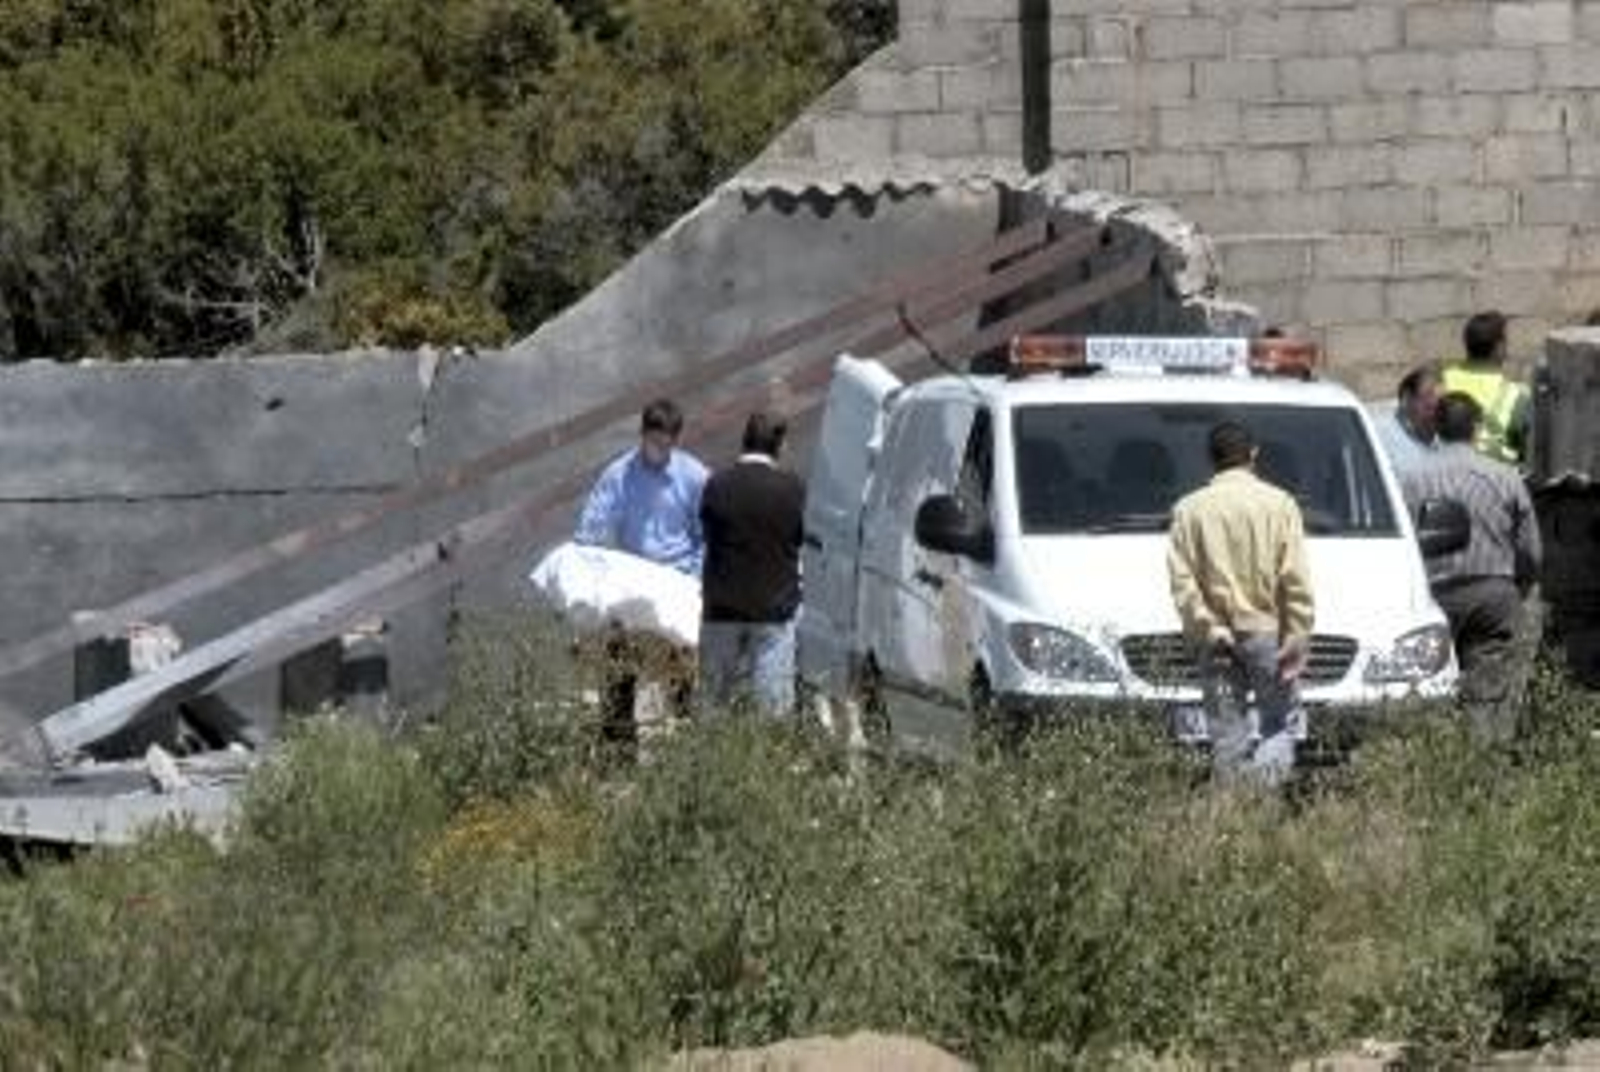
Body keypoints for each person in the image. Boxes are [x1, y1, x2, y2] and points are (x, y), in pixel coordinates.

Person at [1167, 421, 1315, 787]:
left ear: (1210, 459)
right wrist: (1297, 633)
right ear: (1253, 454)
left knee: (1226, 733)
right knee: (1277, 724)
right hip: (1267, 632)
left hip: (1216, 640)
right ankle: (1263, 809)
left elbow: (1182, 582)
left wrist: (1209, 627)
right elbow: (1294, 576)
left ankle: (1233, 815)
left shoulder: (1189, 510)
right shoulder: (1279, 504)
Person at [1401, 392, 1543, 743]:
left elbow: (1401, 541)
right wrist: (1517, 585)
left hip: (1432, 598)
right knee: (1488, 691)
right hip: (1492, 595)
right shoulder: (1505, 477)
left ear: (1436, 427)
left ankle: (1435, 763)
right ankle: (1482, 767)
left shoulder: (1409, 478)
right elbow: (1530, 549)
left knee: (1428, 687)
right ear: (1476, 429)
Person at [574, 398, 708, 756]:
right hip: (632, 580)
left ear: (676, 441)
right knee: (621, 664)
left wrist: (693, 575)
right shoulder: (619, 475)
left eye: (666, 445)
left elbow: (708, 533)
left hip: (677, 581)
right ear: (642, 435)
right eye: (652, 442)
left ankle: (687, 747)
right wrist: (599, 566)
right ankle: (617, 748)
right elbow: (591, 527)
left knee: (681, 667)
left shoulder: (693, 476)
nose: (658, 451)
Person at [697, 412, 806, 718]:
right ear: (779, 445)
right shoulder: (792, 488)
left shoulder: (716, 485)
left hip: (721, 608)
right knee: (771, 712)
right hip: (773, 609)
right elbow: (799, 538)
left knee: (713, 705)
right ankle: (763, 762)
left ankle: (713, 761)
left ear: (745, 442)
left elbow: (707, 534)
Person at [1443, 310, 1531, 467]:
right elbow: (1529, 454)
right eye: (1505, 341)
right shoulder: (1515, 395)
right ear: (1499, 347)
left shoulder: (1442, 380)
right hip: (1497, 481)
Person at [1372, 362, 1442, 481]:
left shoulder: (1447, 434)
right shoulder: (1379, 432)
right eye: (1428, 396)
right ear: (1406, 398)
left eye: (1441, 400)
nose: (1435, 404)